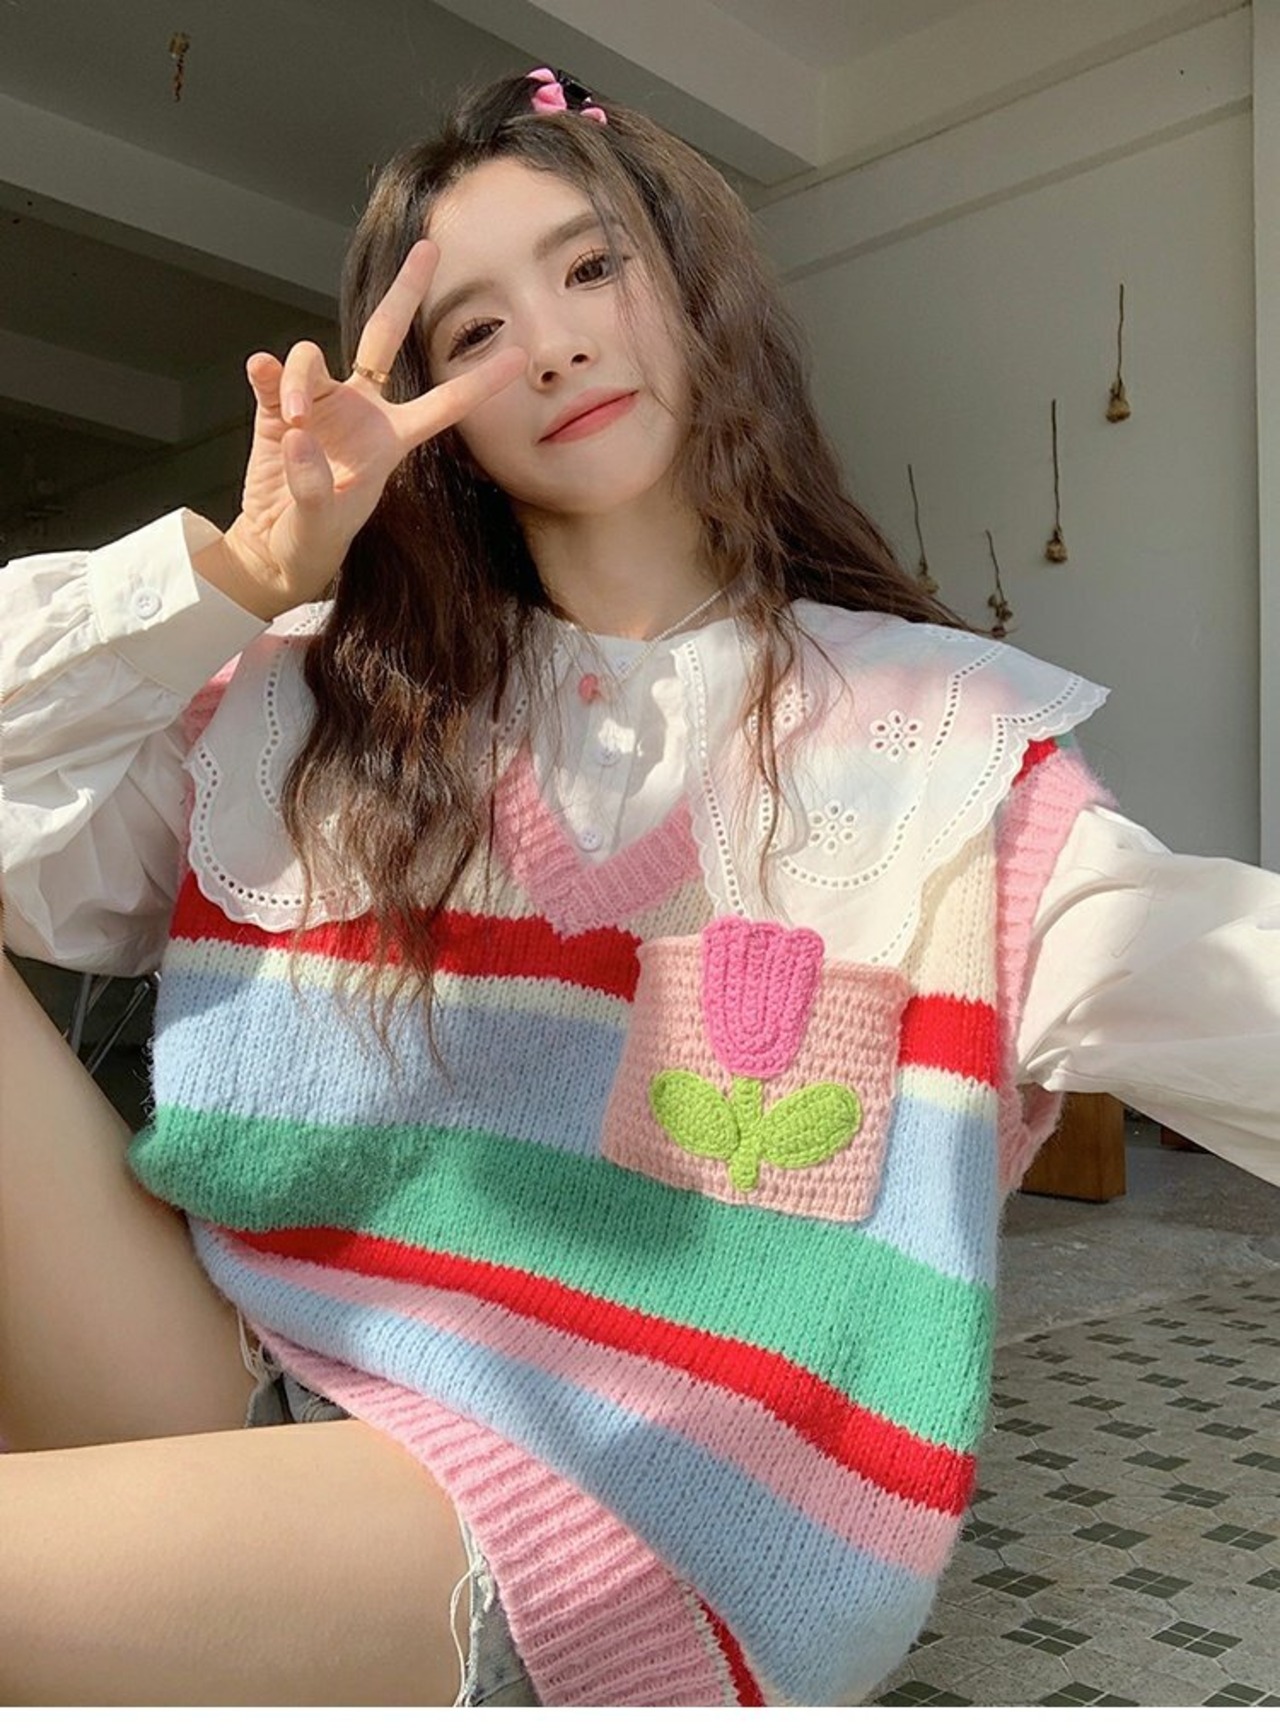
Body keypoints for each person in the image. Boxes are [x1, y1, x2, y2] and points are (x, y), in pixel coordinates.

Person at [1, 67, 1277, 1709]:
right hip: (273, 1362)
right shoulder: (316, 706)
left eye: (591, 267)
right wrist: (245, 576)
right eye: (473, 330)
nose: (547, 344)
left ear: (694, 288)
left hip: (634, 1503)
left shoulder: (936, 734)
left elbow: (1212, 977)